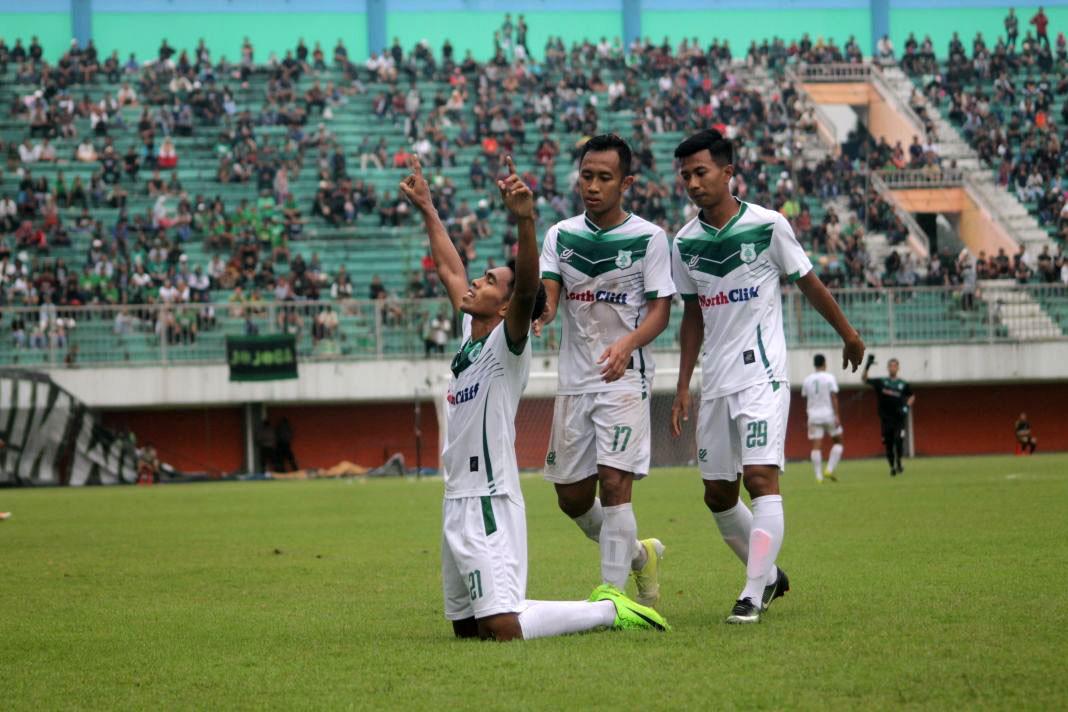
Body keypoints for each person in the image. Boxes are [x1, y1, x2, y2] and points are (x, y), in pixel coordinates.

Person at [400, 154, 668, 642]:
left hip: (490, 499)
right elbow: (448, 266)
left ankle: (611, 610)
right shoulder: (470, 334)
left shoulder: (508, 343)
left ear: (505, 305)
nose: (475, 281)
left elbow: (526, 289)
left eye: (488, 281)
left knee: (503, 626)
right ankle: (608, 590)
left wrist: (525, 221)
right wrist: (428, 208)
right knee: (466, 630)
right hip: (455, 499)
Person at [668, 129, 865, 624]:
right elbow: (692, 316)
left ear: (728, 172)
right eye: (685, 175)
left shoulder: (767, 225)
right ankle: (770, 574)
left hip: (763, 375)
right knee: (717, 494)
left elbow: (809, 283)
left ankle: (752, 594)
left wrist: (848, 334)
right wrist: (683, 384)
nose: (692, 182)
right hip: (715, 381)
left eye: (701, 172)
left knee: (760, 478)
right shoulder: (684, 243)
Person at [537, 134, 675, 608]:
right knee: (572, 499)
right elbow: (550, 297)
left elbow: (661, 312)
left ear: (626, 182)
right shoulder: (560, 234)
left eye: (604, 178)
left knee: (615, 483)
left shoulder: (649, 238)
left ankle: (614, 598)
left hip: (624, 378)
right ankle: (640, 557)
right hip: (575, 382)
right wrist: (540, 312)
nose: (592, 186)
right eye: (586, 176)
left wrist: (628, 345)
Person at [862, 355, 915, 476]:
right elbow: (864, 379)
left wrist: (906, 407)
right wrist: (868, 365)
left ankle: (899, 462)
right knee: (889, 445)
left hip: (899, 419)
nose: (893, 368)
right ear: (887, 368)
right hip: (886, 420)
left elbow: (911, 396)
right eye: (891, 366)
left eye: (895, 365)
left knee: (899, 441)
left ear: (898, 368)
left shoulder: (903, 384)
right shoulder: (882, 382)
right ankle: (892, 467)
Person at [801, 354, 844, 483]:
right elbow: (834, 397)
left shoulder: (807, 380)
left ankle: (818, 476)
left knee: (816, 446)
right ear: (824, 363)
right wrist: (837, 415)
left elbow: (805, 398)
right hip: (828, 414)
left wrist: (808, 414)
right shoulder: (829, 377)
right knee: (838, 442)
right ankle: (829, 469)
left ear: (814, 364)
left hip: (813, 416)